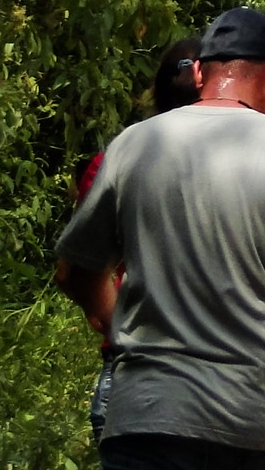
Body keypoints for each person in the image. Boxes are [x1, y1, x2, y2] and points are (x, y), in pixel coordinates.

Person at [54, 7, 265, 470]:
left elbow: (76, 272)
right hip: (261, 423)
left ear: (201, 71)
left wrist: (122, 332)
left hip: (148, 418)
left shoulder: (133, 144)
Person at [78, 38, 203, 444]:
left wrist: (122, 332)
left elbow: (77, 269)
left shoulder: (118, 156)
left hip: (135, 376)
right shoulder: (253, 160)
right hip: (234, 377)